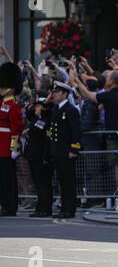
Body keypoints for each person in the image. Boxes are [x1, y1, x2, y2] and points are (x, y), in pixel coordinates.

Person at [49, 81, 82, 219]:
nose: (54, 95)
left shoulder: (71, 110)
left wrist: (74, 149)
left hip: (67, 151)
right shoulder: (55, 109)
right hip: (57, 151)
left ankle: (70, 208)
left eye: (57, 92)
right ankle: (64, 207)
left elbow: (76, 132)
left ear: (64, 94)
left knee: (69, 181)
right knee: (61, 181)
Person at [24, 92, 54, 218]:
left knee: (43, 184)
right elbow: (28, 113)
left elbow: (47, 139)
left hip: (41, 157)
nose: (35, 108)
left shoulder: (46, 121)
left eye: (38, 106)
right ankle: (40, 207)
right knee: (38, 183)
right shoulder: (35, 119)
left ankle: (45, 208)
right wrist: (32, 105)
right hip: (33, 156)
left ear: (43, 107)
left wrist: (46, 156)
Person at [0, 62, 24, 217]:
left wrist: (13, 148)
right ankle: (4, 204)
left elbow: (16, 130)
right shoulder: (2, 104)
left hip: (7, 148)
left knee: (8, 180)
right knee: (2, 180)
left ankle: (10, 206)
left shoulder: (14, 106)